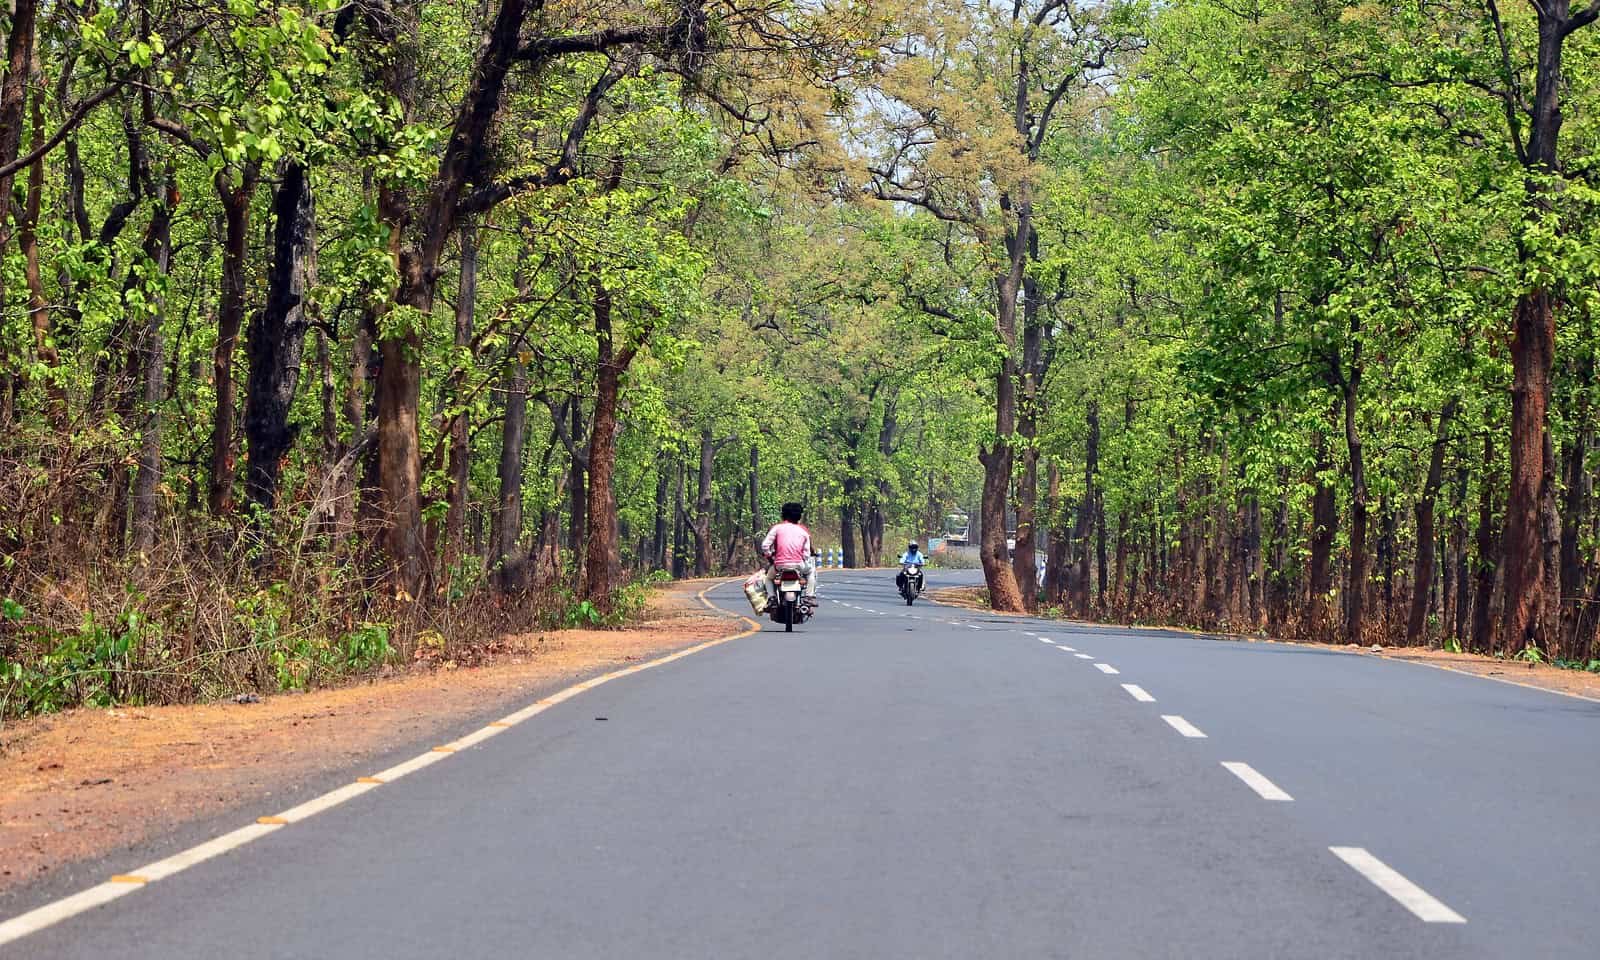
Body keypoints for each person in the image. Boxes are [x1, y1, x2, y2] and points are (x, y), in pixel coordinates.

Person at [760, 502, 817, 601]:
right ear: (799, 516)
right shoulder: (803, 530)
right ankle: (809, 596)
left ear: (783, 515)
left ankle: (772, 597)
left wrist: (768, 554)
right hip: (798, 565)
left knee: (768, 578)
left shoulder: (776, 528)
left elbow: (765, 546)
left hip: (780, 566)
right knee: (811, 571)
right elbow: (807, 553)